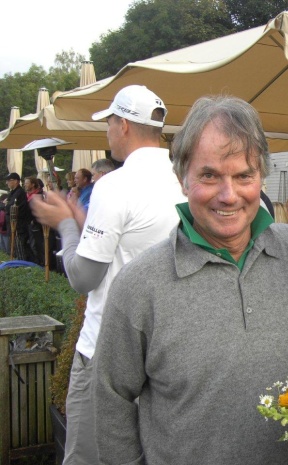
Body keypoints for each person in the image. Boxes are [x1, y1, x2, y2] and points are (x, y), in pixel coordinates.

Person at [93, 95, 288, 465]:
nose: (228, 194)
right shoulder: (139, 285)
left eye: (243, 176)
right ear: (182, 178)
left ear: (261, 179)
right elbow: (111, 400)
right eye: (209, 175)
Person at [30, 84, 185, 465]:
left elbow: (84, 278)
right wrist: (85, 226)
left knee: (88, 457)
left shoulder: (114, 185)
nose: (107, 132)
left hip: (107, 348)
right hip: (167, 349)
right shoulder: (185, 180)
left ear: (124, 125)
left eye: (109, 123)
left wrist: (66, 225)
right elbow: (135, 244)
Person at [4, 173, 33, 261]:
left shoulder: (19, 193)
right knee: (14, 250)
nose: (7, 183)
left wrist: (6, 205)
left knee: (20, 250)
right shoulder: (12, 193)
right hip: (12, 226)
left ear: (16, 181)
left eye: (9, 180)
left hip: (18, 227)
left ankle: (22, 266)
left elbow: (11, 207)